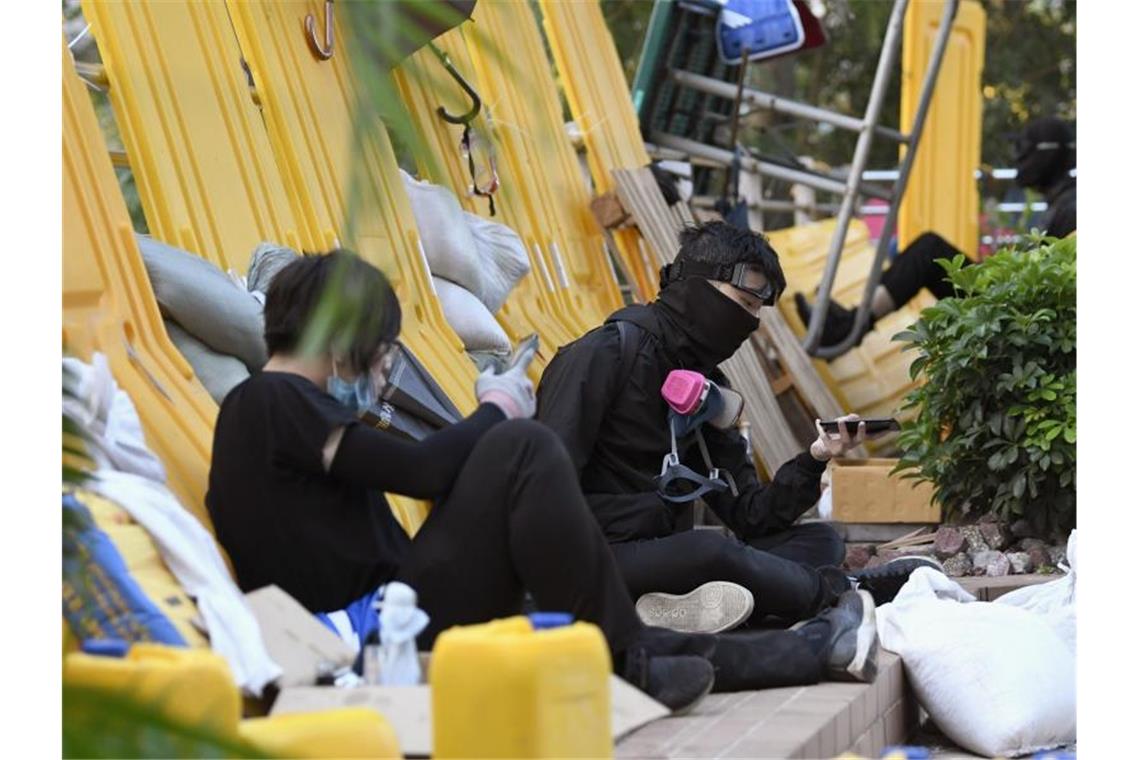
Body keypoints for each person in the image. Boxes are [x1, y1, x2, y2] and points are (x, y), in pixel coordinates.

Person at [204, 250, 884, 709]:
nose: (384, 375)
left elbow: (439, 476)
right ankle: (635, 653)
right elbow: (422, 472)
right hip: (372, 634)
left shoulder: (284, 418)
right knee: (524, 447)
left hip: (397, 612)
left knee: (624, 638)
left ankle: (806, 651)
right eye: (383, 356)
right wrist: (497, 406)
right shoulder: (267, 403)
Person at [535, 223, 937, 651]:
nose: (748, 323)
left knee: (817, 539)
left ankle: (687, 607)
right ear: (693, 286)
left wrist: (818, 455)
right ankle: (845, 594)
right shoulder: (603, 354)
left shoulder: (707, 388)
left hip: (667, 554)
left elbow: (751, 515)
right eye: (742, 303)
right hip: (597, 556)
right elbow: (542, 488)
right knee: (711, 552)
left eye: (757, 311)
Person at [795, 116, 1076, 354]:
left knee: (929, 251)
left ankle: (848, 327)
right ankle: (850, 323)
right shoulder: (1065, 202)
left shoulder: (1072, 206)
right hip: (1012, 300)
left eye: (1025, 151)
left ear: (1047, 154)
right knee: (929, 249)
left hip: (1012, 313)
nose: (1018, 160)